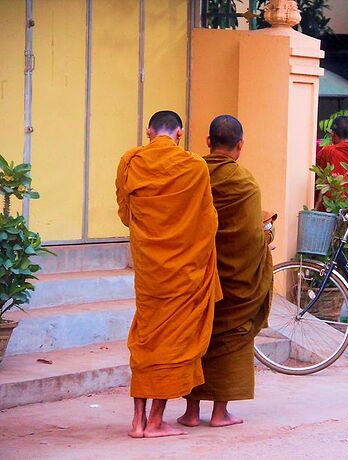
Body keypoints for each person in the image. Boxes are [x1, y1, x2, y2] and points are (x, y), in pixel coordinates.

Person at [115, 110, 222, 438]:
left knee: (146, 337)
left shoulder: (131, 162)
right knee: (172, 341)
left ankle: (137, 421)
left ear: (149, 131)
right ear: (179, 133)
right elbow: (207, 219)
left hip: (149, 271)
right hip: (183, 271)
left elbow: (125, 213)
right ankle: (156, 421)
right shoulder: (194, 166)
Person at [177, 115, 273, 428]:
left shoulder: (192, 175)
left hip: (197, 277)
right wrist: (267, 235)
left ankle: (191, 413)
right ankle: (220, 414)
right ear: (240, 145)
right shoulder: (245, 183)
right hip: (235, 283)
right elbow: (249, 238)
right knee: (232, 340)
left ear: (208, 142)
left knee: (196, 339)